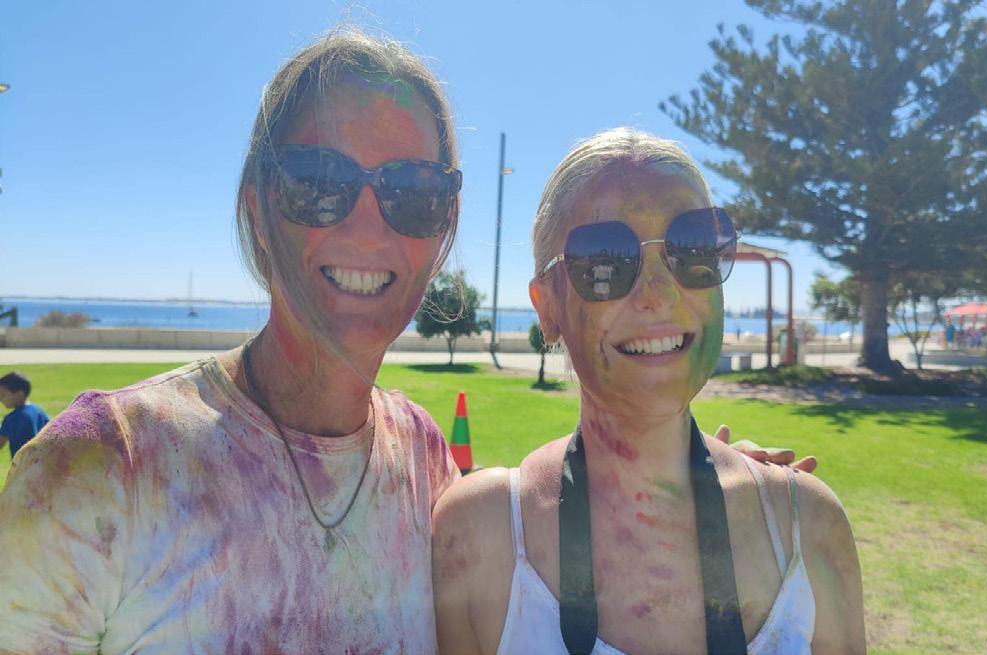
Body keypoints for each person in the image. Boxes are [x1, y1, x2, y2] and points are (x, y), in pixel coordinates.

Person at [0, 32, 804, 653]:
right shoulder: (102, 468)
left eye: (413, 194)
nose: (367, 226)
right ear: (257, 206)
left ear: (443, 227)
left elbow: (534, 525)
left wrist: (700, 474)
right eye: (319, 183)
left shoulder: (422, 461)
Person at [433, 129, 864, 655]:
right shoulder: (478, 537)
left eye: (694, 248)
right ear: (548, 308)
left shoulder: (807, 526)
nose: (659, 294)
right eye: (603, 263)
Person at [0, 372, 50, 459]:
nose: (0, 399)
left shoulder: (13, 418)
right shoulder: (38, 411)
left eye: (3, 395)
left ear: (20, 393)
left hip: (22, 463)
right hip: (42, 461)